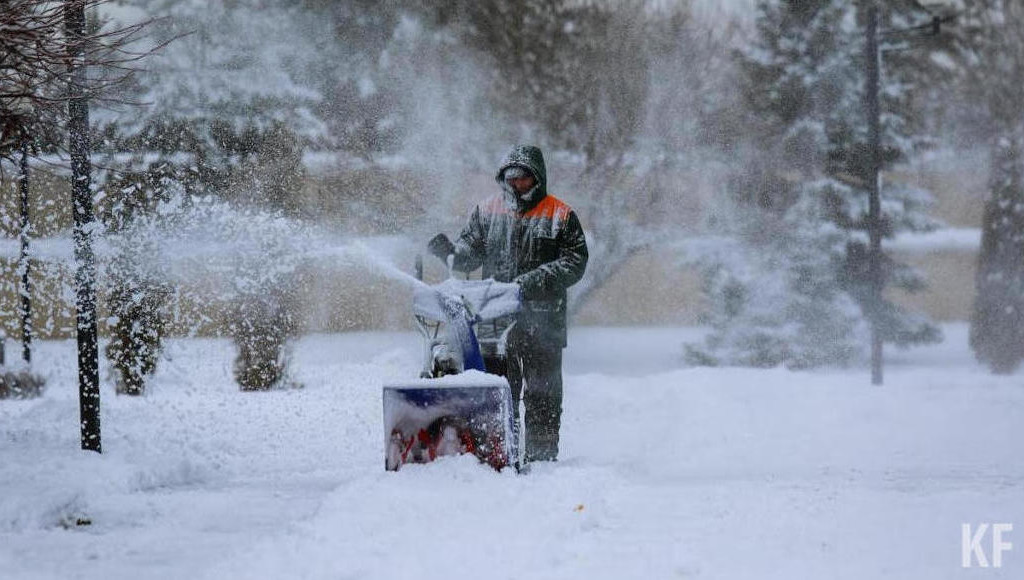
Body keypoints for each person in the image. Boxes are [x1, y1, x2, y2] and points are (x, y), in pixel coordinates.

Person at [428, 145, 588, 463]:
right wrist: (450, 252)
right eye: (510, 178)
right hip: (495, 322)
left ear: (537, 178)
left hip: (544, 322)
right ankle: (502, 455)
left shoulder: (560, 215)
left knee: (543, 394)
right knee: (500, 394)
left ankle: (542, 459)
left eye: (523, 178)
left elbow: (575, 262)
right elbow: (469, 251)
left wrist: (532, 282)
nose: (516, 185)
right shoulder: (488, 211)